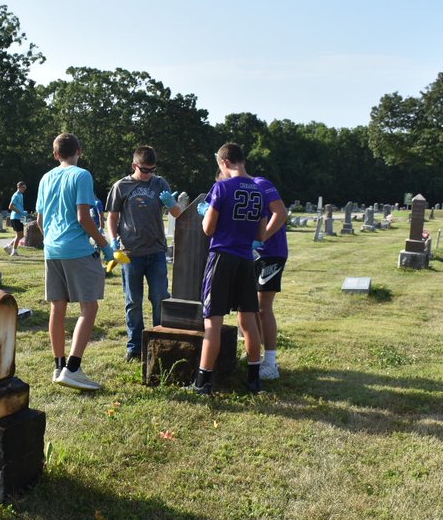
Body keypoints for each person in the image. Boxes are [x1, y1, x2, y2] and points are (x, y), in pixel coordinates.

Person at [194, 143, 287, 395]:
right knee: (248, 318)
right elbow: (260, 232)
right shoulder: (259, 189)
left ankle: (203, 381)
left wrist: (206, 213)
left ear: (224, 163)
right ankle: (254, 378)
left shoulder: (221, 187)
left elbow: (208, 229)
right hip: (247, 259)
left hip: (222, 257)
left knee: (212, 321)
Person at [35, 133, 114, 391]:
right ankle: (73, 367)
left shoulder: (46, 178)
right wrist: (104, 245)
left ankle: (58, 366)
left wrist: (52, 242)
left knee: (57, 308)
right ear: (79, 150)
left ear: (55, 154)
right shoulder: (81, 175)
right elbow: (84, 217)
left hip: (52, 250)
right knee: (88, 309)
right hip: (77, 249)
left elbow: (39, 220)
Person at [105, 145, 184, 362]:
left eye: (153, 169)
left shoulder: (160, 183)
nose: (149, 174)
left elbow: (179, 214)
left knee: (160, 297)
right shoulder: (121, 186)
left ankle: (161, 341)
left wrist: (172, 204)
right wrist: (113, 241)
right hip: (131, 253)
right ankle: (135, 347)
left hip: (157, 251)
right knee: (133, 301)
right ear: (134, 166)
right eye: (145, 170)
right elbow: (112, 217)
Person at [253, 176, 288, 381]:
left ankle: (270, 362)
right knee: (250, 309)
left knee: (263, 307)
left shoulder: (260, 184)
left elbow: (281, 213)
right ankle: (256, 359)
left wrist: (261, 239)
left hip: (271, 253)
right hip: (251, 254)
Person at [6, 181, 27, 256]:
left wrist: (22, 212)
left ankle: (9, 246)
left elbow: (19, 206)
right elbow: (10, 206)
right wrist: (20, 212)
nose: (24, 189)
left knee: (21, 235)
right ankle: (14, 251)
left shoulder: (21, 195)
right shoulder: (16, 195)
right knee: (19, 235)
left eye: (25, 188)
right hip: (15, 217)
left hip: (19, 217)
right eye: (23, 187)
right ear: (18, 187)